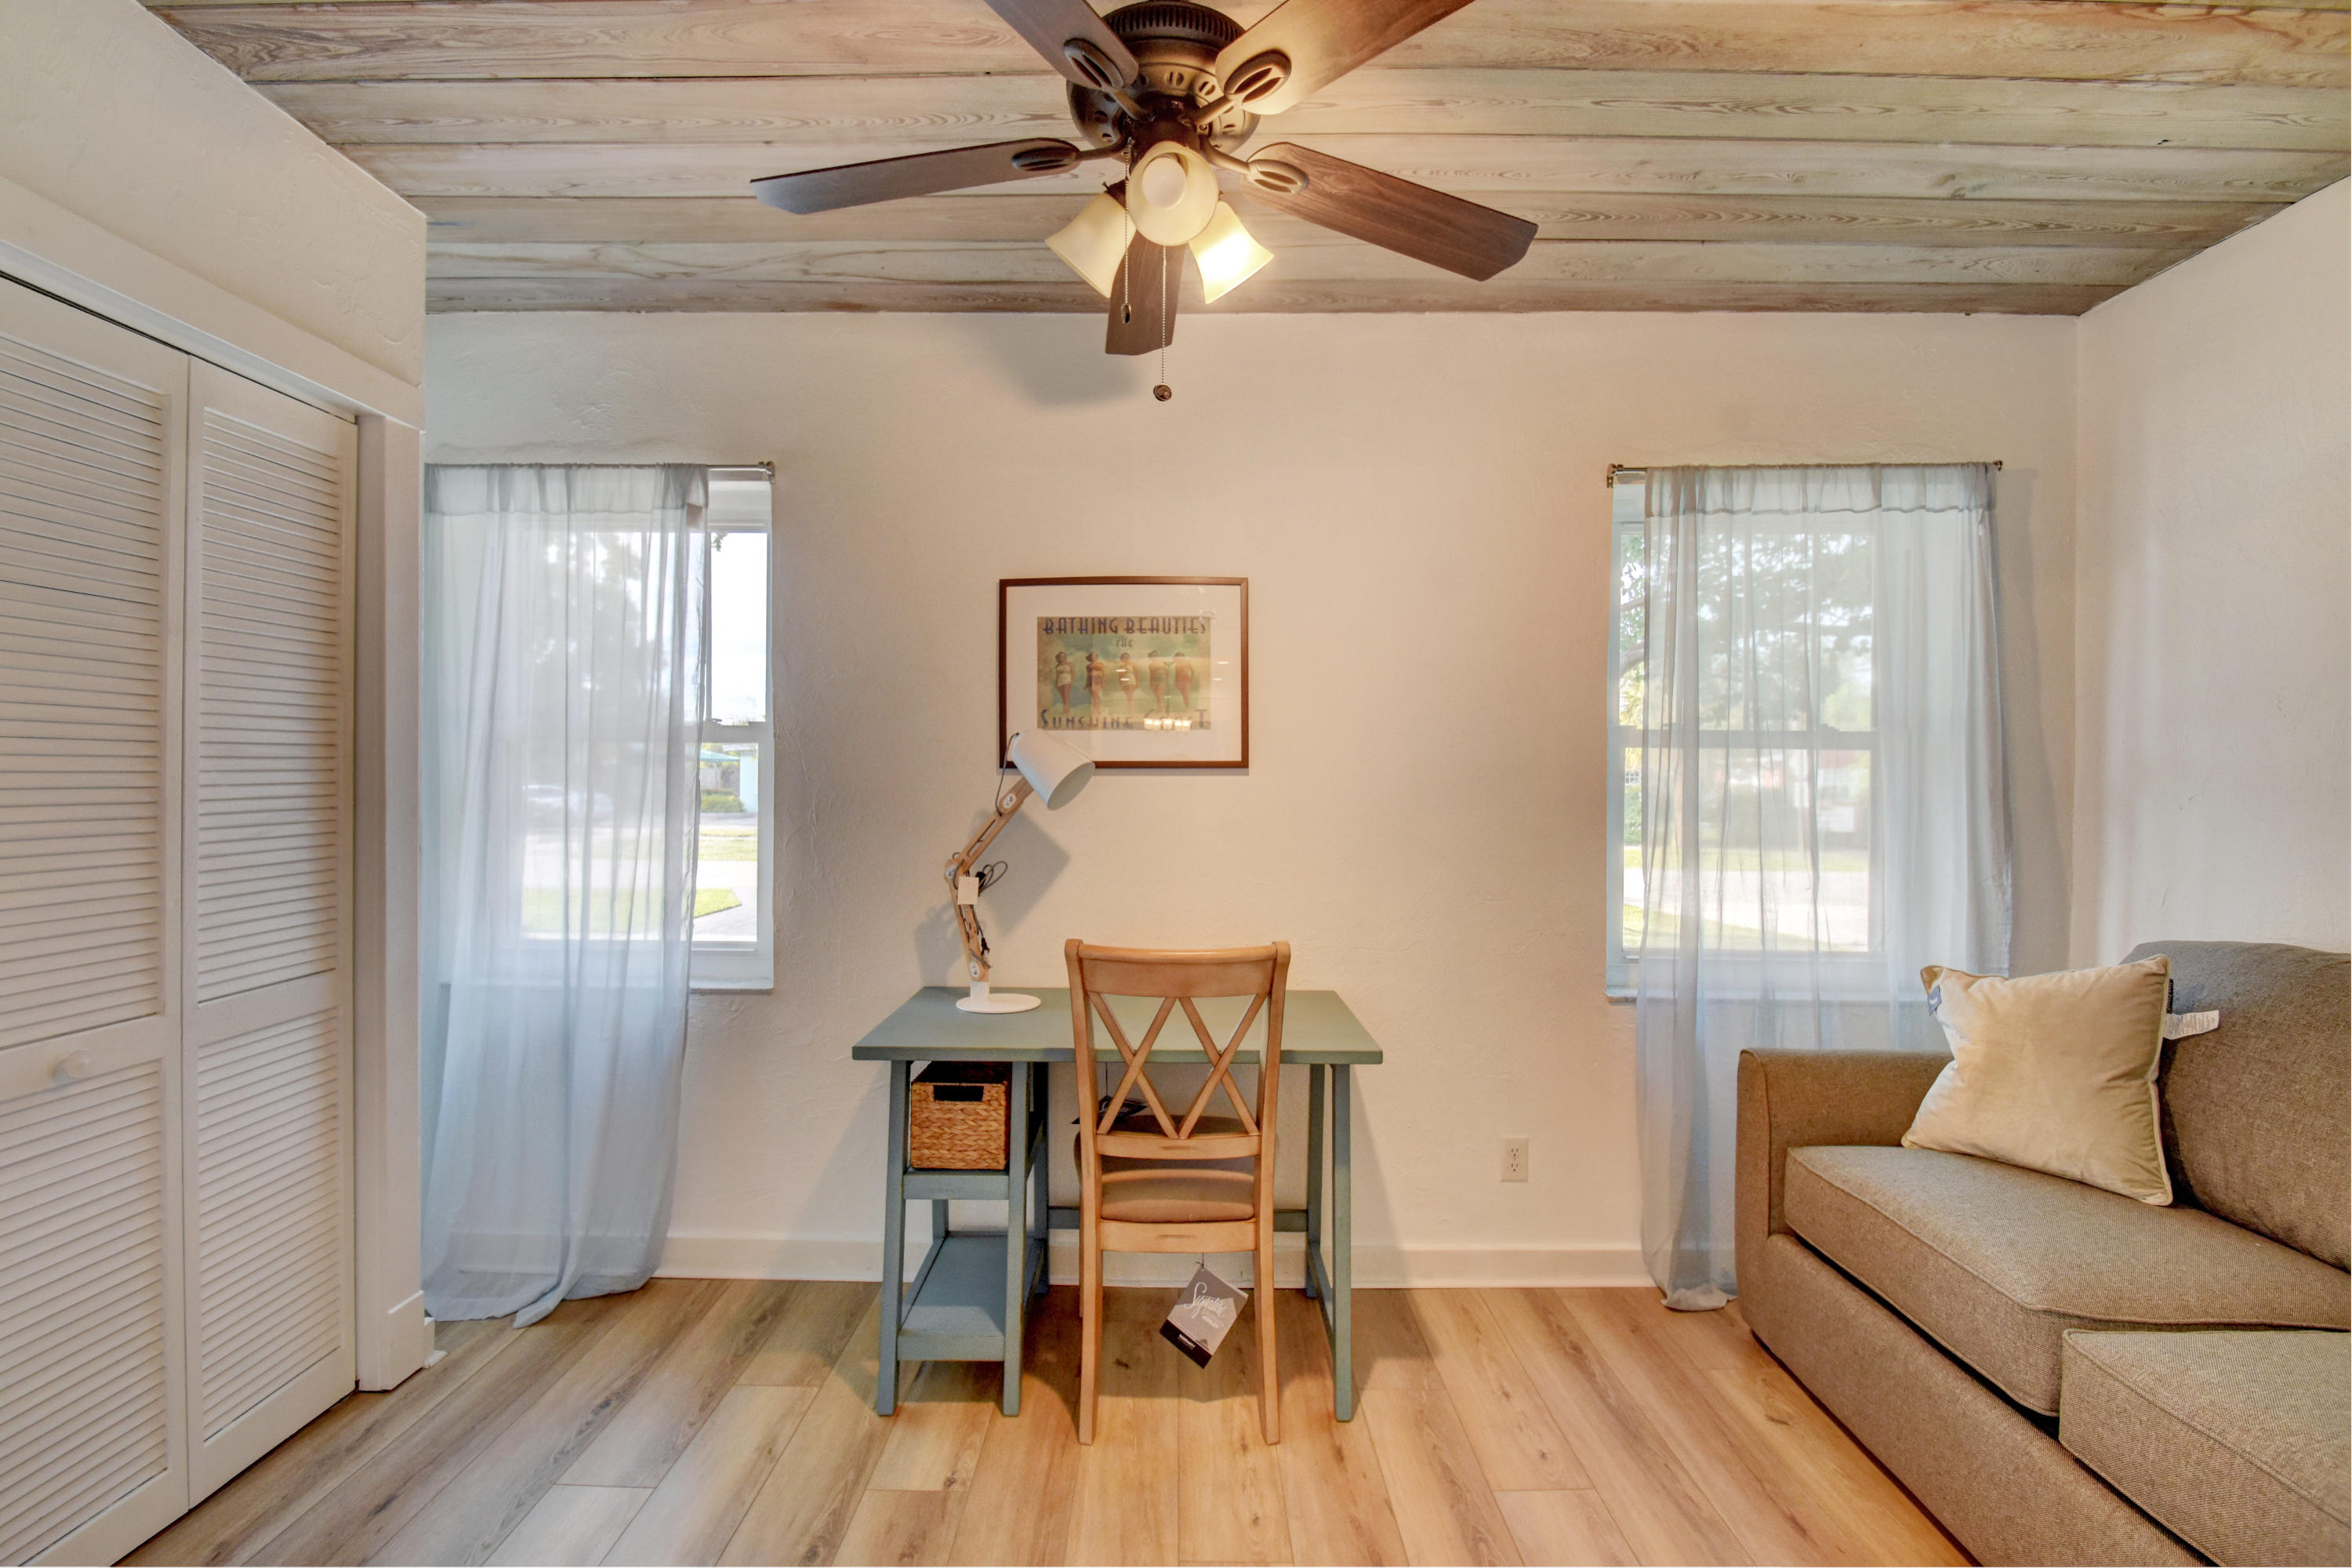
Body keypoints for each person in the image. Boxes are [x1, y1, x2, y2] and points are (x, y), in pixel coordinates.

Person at [1051, 649, 1075, 715]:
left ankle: (1066, 711)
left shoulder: (1070, 664)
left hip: (1067, 680)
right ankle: (1067, 710)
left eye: (1063, 656)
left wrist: (1071, 681)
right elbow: (1057, 675)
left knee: (1066, 696)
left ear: (1065, 657)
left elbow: (1072, 673)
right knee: (1064, 697)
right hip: (1060, 681)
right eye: (1060, 656)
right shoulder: (1057, 666)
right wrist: (1056, 683)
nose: (1062, 657)